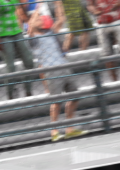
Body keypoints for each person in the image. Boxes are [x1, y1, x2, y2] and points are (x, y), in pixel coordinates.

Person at [27, 11, 85, 141]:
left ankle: (69, 128)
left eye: (41, 19)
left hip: (64, 66)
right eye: (38, 20)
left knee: (75, 96)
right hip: (52, 70)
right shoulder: (33, 39)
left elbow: (61, 20)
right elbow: (30, 27)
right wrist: (37, 9)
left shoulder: (50, 32)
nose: (41, 21)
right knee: (57, 101)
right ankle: (54, 131)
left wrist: (58, 3)